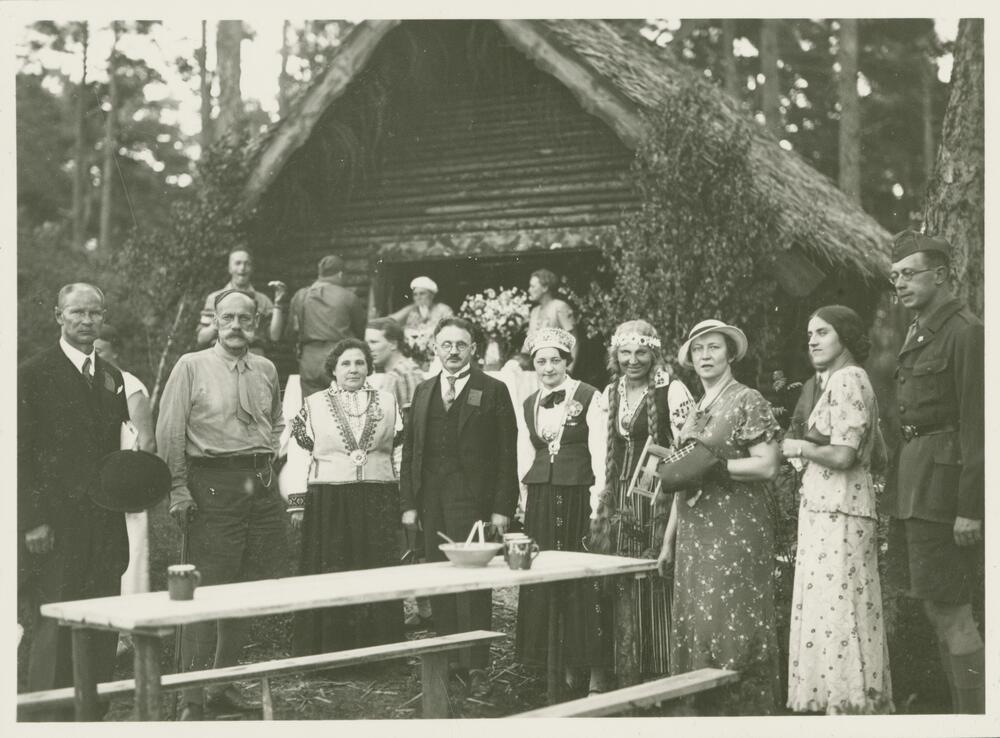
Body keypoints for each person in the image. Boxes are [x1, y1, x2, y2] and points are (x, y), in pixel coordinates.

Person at [156, 289, 289, 720]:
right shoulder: (191, 365)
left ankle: (221, 685)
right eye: (227, 318)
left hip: (259, 485)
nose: (235, 326)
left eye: (244, 319)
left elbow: (277, 420)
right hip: (211, 485)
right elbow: (170, 431)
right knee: (204, 591)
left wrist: (268, 454)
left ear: (255, 323)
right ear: (214, 321)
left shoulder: (266, 368)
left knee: (246, 589)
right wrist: (178, 489)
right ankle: (191, 700)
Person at [656, 319, 782, 715]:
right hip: (695, 534)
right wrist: (668, 541)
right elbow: (683, 478)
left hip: (735, 531)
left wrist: (720, 469)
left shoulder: (747, 399)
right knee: (699, 622)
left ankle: (742, 716)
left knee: (732, 621)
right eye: (698, 349)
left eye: (713, 347)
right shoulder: (696, 409)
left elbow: (768, 465)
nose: (705, 355)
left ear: (730, 353)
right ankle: (700, 714)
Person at [18, 283, 130, 721]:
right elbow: (18, 454)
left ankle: (90, 720)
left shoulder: (112, 377)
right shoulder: (31, 374)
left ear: (103, 317)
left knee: (101, 625)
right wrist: (32, 521)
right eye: (77, 312)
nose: (86, 320)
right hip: (54, 530)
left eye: (94, 313)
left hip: (104, 527)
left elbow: (118, 450)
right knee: (54, 630)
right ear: (58, 316)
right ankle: (44, 722)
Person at [884, 230, 984, 714]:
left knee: (953, 612)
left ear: (940, 275)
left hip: (945, 492)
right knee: (935, 609)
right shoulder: (921, 328)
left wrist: (971, 507)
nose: (900, 284)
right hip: (917, 485)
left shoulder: (965, 331)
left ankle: (977, 718)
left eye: (909, 274)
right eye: (895, 276)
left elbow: (979, 425)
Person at [779, 306, 892, 714]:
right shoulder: (848, 381)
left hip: (839, 512)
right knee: (835, 612)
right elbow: (876, 454)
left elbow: (844, 455)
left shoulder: (847, 379)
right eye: (810, 333)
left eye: (823, 332)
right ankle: (846, 704)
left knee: (839, 613)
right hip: (830, 509)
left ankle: (849, 705)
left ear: (845, 335)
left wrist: (799, 447)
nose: (812, 340)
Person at [399, 316, 519, 695]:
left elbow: (507, 454)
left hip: (473, 502)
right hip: (431, 501)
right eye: (446, 344)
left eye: (461, 344)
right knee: (440, 580)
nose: (453, 351)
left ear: (473, 349)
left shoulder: (493, 389)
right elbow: (410, 452)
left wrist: (502, 507)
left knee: (473, 584)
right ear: (435, 347)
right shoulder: (423, 391)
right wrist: (409, 504)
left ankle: (477, 664)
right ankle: (449, 659)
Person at [286, 339, 405, 654]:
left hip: (377, 499)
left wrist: (402, 498)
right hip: (330, 501)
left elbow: (399, 453)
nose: (353, 369)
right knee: (333, 572)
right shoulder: (314, 404)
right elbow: (299, 454)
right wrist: (297, 502)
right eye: (346, 364)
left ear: (369, 367)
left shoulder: (388, 402)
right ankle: (330, 652)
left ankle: (379, 654)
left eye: (360, 363)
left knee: (376, 571)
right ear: (334, 369)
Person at [514, 327, 610, 694]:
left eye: (555, 360)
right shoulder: (529, 403)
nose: (548, 367)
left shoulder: (589, 396)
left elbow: (600, 452)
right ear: (534, 365)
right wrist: (525, 500)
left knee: (581, 581)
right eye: (541, 361)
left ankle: (590, 669)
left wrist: (598, 501)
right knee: (545, 578)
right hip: (541, 497)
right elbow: (526, 454)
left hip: (577, 496)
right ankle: (555, 667)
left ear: (567, 361)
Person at [596, 320, 693, 677]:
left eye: (641, 352)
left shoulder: (672, 389)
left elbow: (690, 447)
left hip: (658, 499)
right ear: (616, 355)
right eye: (625, 353)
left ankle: (662, 671)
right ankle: (627, 669)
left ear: (654, 354)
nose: (633, 360)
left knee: (655, 575)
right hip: (620, 498)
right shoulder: (612, 391)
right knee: (622, 578)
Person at [93, 325, 156, 656]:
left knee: (131, 556)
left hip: (127, 487)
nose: (95, 356)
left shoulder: (129, 384)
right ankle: (102, 631)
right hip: (99, 489)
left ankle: (129, 634)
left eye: (100, 350)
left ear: (115, 352)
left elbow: (146, 442)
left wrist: (132, 486)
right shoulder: (89, 383)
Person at [270, 255, 367, 398]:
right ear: (340, 274)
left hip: (309, 360)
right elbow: (360, 333)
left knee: (313, 406)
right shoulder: (349, 297)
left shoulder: (300, 296)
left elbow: (291, 333)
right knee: (345, 404)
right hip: (339, 359)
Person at [196, 248, 281, 354]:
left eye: (247, 264)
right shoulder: (214, 298)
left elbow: (274, 336)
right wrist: (218, 322)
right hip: (222, 357)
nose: (242, 268)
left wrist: (278, 304)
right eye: (238, 263)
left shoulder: (263, 300)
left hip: (253, 356)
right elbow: (201, 338)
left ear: (252, 268)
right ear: (230, 268)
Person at [366, 317, 426, 423]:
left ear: (393, 344)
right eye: (367, 343)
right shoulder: (394, 372)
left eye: (374, 342)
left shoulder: (404, 372)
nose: (368, 348)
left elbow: (416, 419)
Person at [388, 276, 454, 362]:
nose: (418, 297)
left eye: (422, 294)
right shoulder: (412, 312)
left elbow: (451, 333)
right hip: (414, 358)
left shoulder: (443, 310)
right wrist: (413, 306)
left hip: (438, 356)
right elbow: (390, 321)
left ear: (431, 295)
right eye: (415, 295)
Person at [524, 269, 577, 367]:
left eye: (533, 286)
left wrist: (570, 369)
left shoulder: (560, 307)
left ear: (545, 288)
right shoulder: (534, 312)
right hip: (537, 366)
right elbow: (528, 344)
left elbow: (574, 341)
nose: (529, 290)